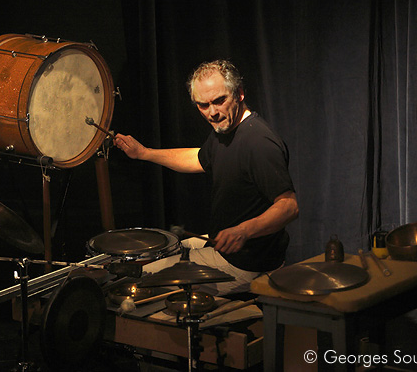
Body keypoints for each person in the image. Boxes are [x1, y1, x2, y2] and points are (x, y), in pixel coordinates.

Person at [114, 60, 298, 295]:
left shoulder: (258, 143)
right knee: (168, 248)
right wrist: (144, 153)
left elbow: (289, 207)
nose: (213, 112)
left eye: (220, 101)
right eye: (203, 105)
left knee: (141, 281)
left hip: (247, 265)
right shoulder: (225, 131)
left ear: (239, 94)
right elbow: (199, 159)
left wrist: (243, 231)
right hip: (225, 251)